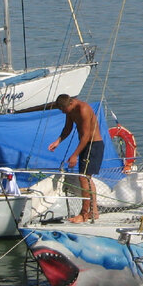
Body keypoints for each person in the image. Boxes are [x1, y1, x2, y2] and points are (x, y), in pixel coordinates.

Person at [48, 93, 104, 223]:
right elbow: (68, 128)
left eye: (64, 110)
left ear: (71, 103)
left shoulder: (83, 109)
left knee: (84, 178)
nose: (63, 112)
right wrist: (58, 141)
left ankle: (84, 214)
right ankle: (93, 211)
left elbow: (85, 136)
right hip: (85, 145)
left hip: (93, 145)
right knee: (86, 178)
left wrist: (74, 155)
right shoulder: (70, 111)